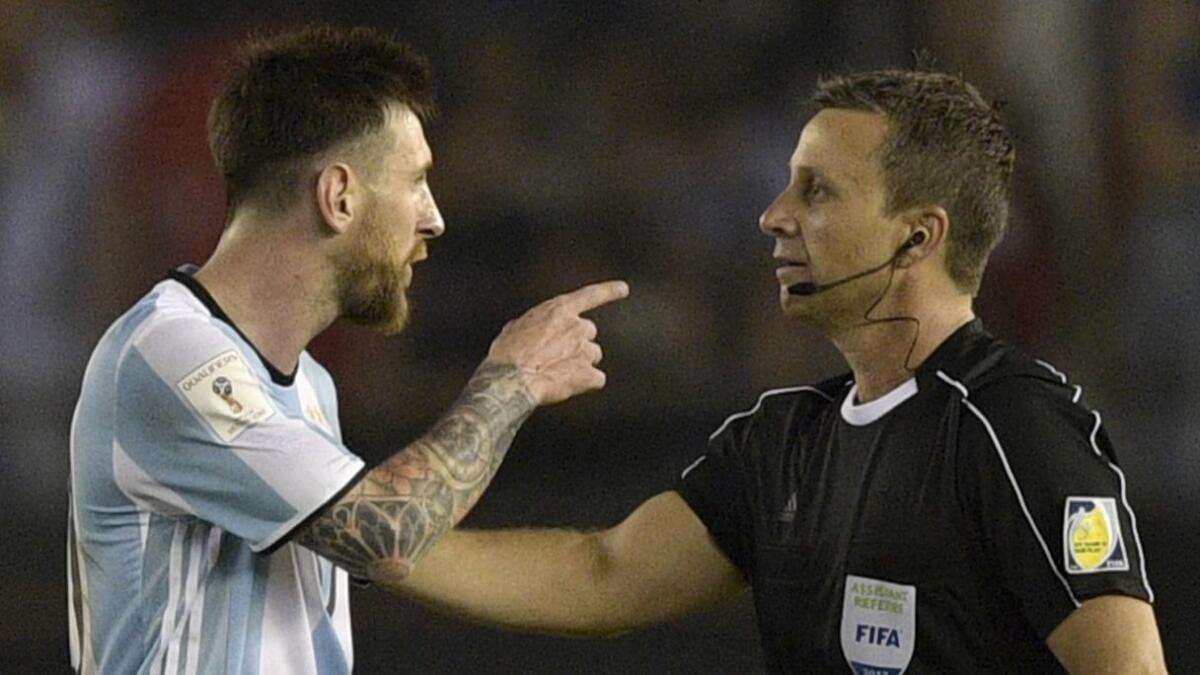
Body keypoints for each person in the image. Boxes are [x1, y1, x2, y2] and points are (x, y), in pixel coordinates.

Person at [391, 68, 1168, 673]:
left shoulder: (1010, 427)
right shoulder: (784, 442)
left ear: (918, 236)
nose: (774, 214)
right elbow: (601, 572)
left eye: (818, 190)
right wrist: (360, 533)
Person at [66, 25, 628, 674]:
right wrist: (513, 378)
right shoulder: (170, 354)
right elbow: (391, 534)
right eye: (416, 181)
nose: (434, 217)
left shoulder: (309, 386)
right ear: (338, 196)